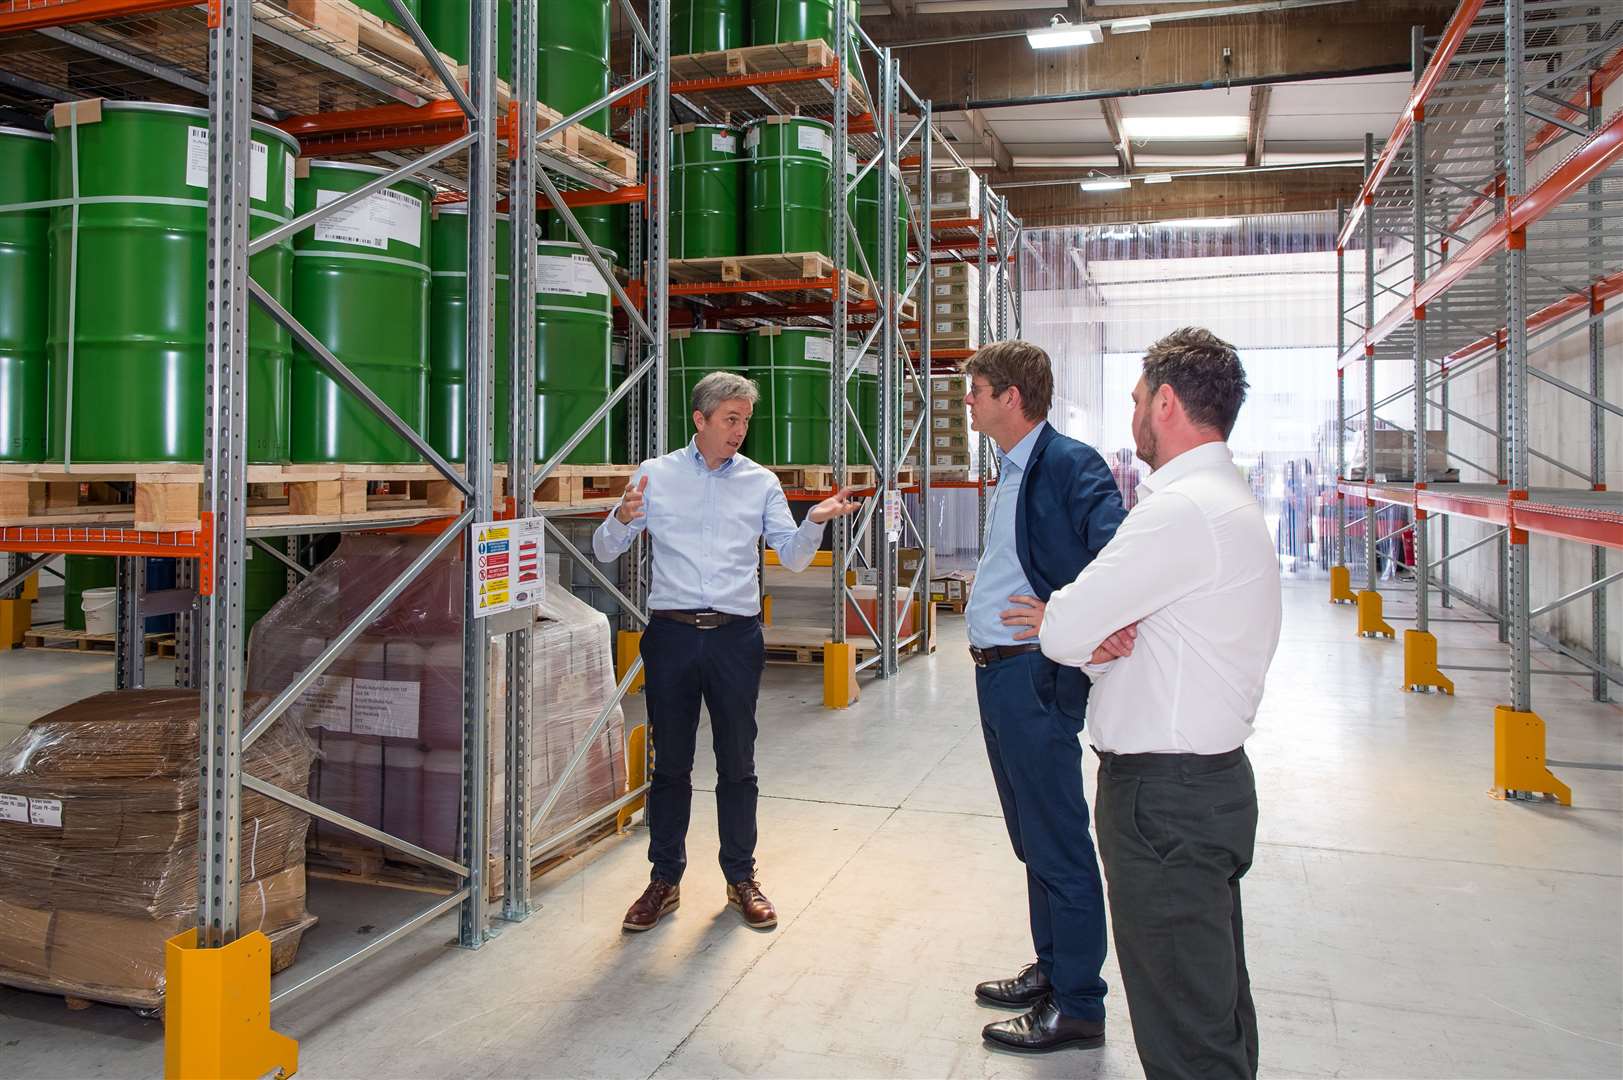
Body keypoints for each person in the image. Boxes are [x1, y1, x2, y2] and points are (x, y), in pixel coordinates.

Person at [1026, 327, 1282, 1080]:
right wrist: (1095, 633)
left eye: (1137, 399)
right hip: (1205, 788)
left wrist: (1080, 628)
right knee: (1210, 1004)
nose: (1132, 415)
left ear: (1165, 403)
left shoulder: (1180, 511)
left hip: (1163, 802)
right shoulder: (1224, 501)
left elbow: (1064, 627)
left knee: (1183, 1032)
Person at [592, 371, 860, 933]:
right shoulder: (655, 476)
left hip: (737, 639)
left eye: (745, 420)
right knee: (671, 765)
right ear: (701, 419)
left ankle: (741, 878)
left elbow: (788, 556)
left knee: (739, 763)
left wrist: (813, 522)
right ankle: (664, 880)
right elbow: (605, 548)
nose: (739, 430)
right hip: (671, 634)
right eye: (730, 419)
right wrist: (620, 516)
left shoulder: (760, 483)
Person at [957, 340, 1127, 1053]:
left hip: (1032, 674)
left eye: (975, 390)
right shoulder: (1011, 468)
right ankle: (1054, 972)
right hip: (996, 673)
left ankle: (1080, 1004)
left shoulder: (1067, 462)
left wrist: (1074, 616)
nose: (966, 401)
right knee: (1032, 838)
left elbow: (1118, 551)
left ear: (1010, 398)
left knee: (1057, 841)